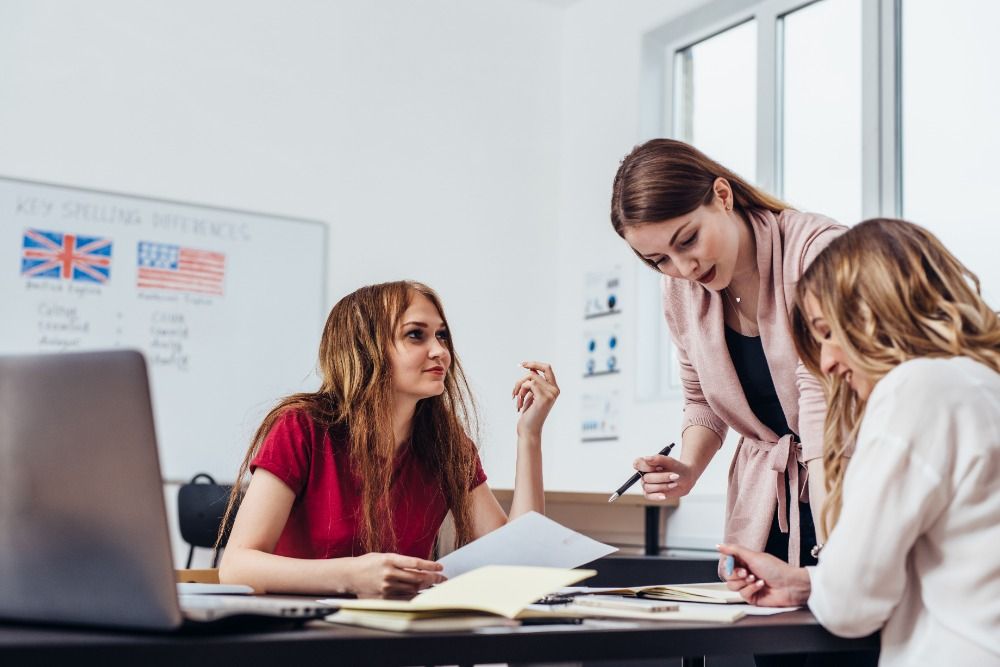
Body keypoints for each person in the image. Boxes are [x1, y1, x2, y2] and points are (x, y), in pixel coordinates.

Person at [720, 218, 1000, 666]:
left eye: (827, 332)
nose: (826, 362)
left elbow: (853, 605)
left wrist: (832, 584)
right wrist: (807, 583)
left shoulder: (916, 390)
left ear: (874, 312)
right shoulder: (982, 383)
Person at [217, 280, 559, 597]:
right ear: (366, 349)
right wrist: (352, 576)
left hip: (400, 640)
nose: (440, 351)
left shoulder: (447, 445)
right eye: (416, 335)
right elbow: (236, 567)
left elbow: (518, 558)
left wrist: (530, 435)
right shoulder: (300, 428)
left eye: (441, 336)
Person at [610, 138, 844, 569]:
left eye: (688, 240)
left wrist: (837, 544)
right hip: (768, 507)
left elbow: (823, 401)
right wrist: (688, 468)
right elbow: (701, 398)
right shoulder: (681, 291)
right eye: (658, 259)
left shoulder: (816, 252)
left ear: (722, 196)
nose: (684, 269)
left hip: (842, 481)